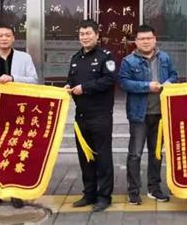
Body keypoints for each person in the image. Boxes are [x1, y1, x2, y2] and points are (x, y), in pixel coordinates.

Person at [0, 24, 39, 209]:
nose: (4, 38)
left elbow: (34, 81)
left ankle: (15, 193)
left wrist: (13, 78)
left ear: (13, 38)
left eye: (7, 35)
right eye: (0, 35)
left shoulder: (24, 58)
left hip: (19, 114)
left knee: (17, 153)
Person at [119, 24, 178, 205]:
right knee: (135, 154)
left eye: (149, 38)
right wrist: (147, 86)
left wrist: (168, 82)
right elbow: (123, 82)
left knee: (156, 153)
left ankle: (154, 188)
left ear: (155, 39)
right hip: (139, 114)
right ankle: (133, 191)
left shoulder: (164, 58)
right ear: (136, 42)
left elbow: (174, 75)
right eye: (142, 39)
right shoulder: (128, 61)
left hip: (160, 114)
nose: (146, 42)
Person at [65, 19, 117, 212]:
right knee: (85, 158)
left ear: (97, 35)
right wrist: (68, 86)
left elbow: (109, 80)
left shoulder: (106, 56)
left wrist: (84, 88)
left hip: (100, 116)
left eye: (88, 33)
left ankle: (104, 197)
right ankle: (89, 194)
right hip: (81, 116)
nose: (85, 37)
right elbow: (71, 80)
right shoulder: (75, 58)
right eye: (82, 34)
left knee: (103, 157)